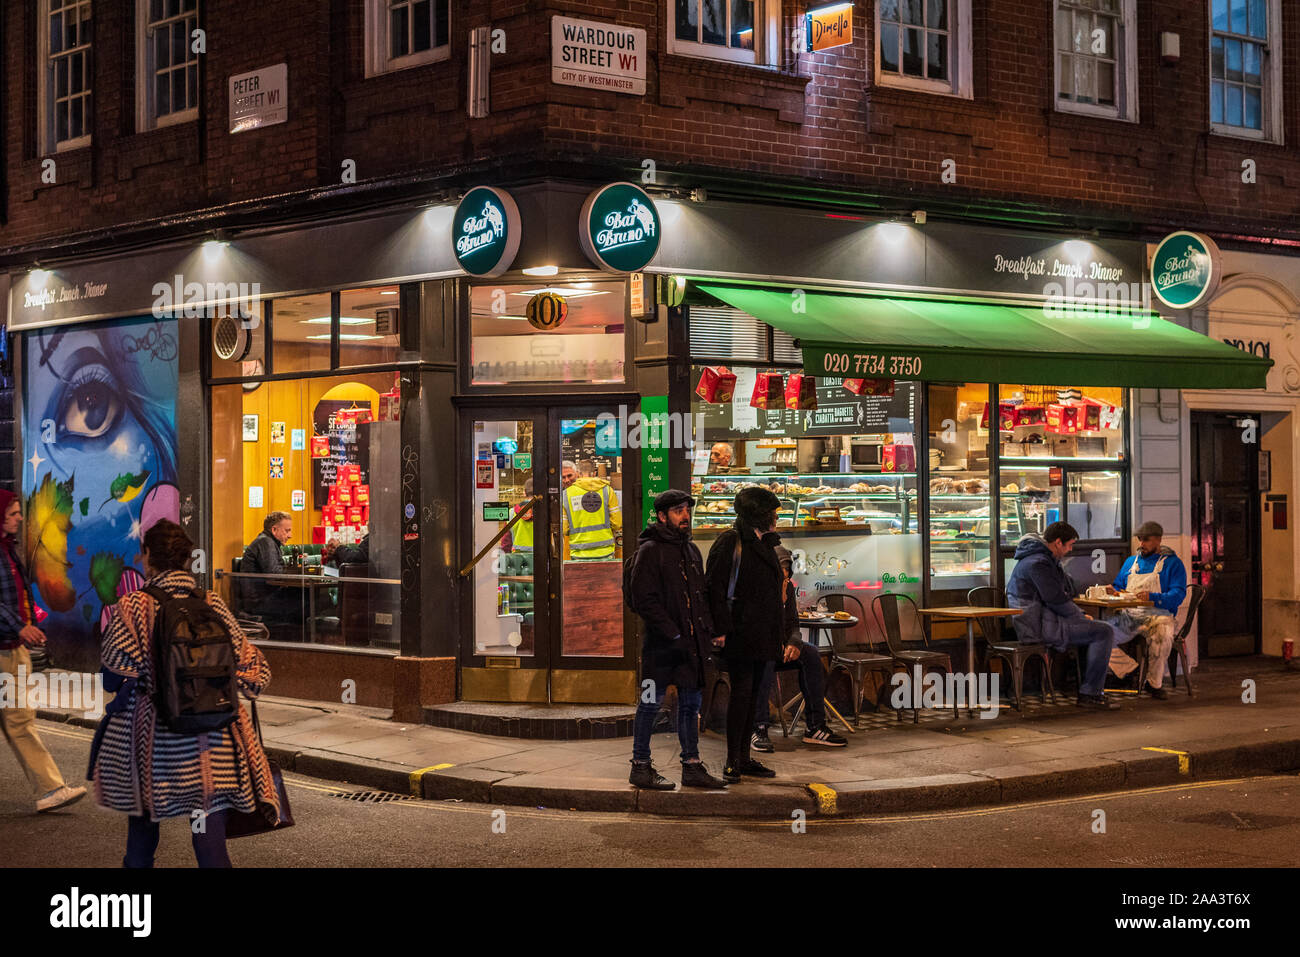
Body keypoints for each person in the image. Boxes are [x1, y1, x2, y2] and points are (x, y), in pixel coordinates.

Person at [89, 519, 282, 868]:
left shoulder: (133, 606)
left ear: (148, 556)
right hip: (214, 746)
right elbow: (257, 673)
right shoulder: (212, 603)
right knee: (207, 837)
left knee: (143, 835)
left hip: (155, 749)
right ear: (185, 559)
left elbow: (114, 674)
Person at [625, 490, 728, 790]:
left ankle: (692, 766)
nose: (685, 516)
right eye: (678, 511)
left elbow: (702, 596)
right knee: (649, 704)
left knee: (690, 705)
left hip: (690, 648)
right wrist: (673, 633)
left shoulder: (692, 550)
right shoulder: (650, 550)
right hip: (659, 647)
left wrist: (710, 631)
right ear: (662, 516)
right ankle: (640, 766)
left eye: (687, 510)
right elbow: (645, 600)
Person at [0, 489, 88, 813]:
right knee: (20, 721)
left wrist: (27, 621)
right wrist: (19, 626)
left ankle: (51, 788)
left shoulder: (8, 551)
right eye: (12, 513)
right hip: (5, 650)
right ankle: (51, 788)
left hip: (12, 649)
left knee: (18, 721)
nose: (19, 517)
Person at [706, 487, 793, 781]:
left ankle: (744, 758)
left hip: (763, 636)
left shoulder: (765, 543)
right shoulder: (731, 542)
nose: (776, 518)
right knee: (741, 697)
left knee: (754, 696)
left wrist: (779, 634)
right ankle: (732, 760)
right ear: (759, 515)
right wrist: (719, 631)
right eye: (773, 513)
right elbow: (714, 590)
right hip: (740, 636)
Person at [1006, 521, 1119, 711]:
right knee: (1104, 632)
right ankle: (1090, 693)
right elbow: (1056, 599)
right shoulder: (1038, 564)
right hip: (1037, 626)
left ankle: (1085, 688)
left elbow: (1068, 589)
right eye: (1069, 545)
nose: (1070, 549)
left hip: (1045, 621)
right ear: (1058, 542)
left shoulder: (1045, 560)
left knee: (1096, 631)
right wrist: (1081, 617)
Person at [751, 543, 847, 751]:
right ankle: (758, 728)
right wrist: (778, 600)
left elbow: (793, 623)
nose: (784, 583)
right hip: (754, 649)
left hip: (777, 647)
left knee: (810, 653)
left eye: (786, 578)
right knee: (764, 660)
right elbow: (756, 627)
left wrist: (794, 642)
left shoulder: (788, 587)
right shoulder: (755, 590)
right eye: (779, 578)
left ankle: (815, 727)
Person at [1106, 521, 1188, 700]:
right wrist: (1114, 591)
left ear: (1158, 540)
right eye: (1139, 540)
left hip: (1159, 616)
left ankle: (1154, 683)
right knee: (1100, 634)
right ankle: (1129, 670)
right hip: (1130, 615)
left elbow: (1178, 594)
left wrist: (1153, 597)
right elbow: (1119, 586)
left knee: (1162, 637)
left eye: (1146, 540)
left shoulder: (1173, 564)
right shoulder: (1131, 562)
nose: (1141, 544)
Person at [239, 512, 301, 635]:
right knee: (308, 598)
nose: (290, 535)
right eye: (287, 531)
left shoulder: (269, 542)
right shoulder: (266, 542)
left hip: (265, 597)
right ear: (274, 530)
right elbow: (274, 573)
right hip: (259, 602)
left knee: (306, 596)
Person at [561, 467, 622, 560]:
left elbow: (564, 529)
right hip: (605, 550)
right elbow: (617, 524)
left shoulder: (566, 494)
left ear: (578, 474)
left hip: (578, 552)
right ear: (594, 473)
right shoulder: (607, 491)